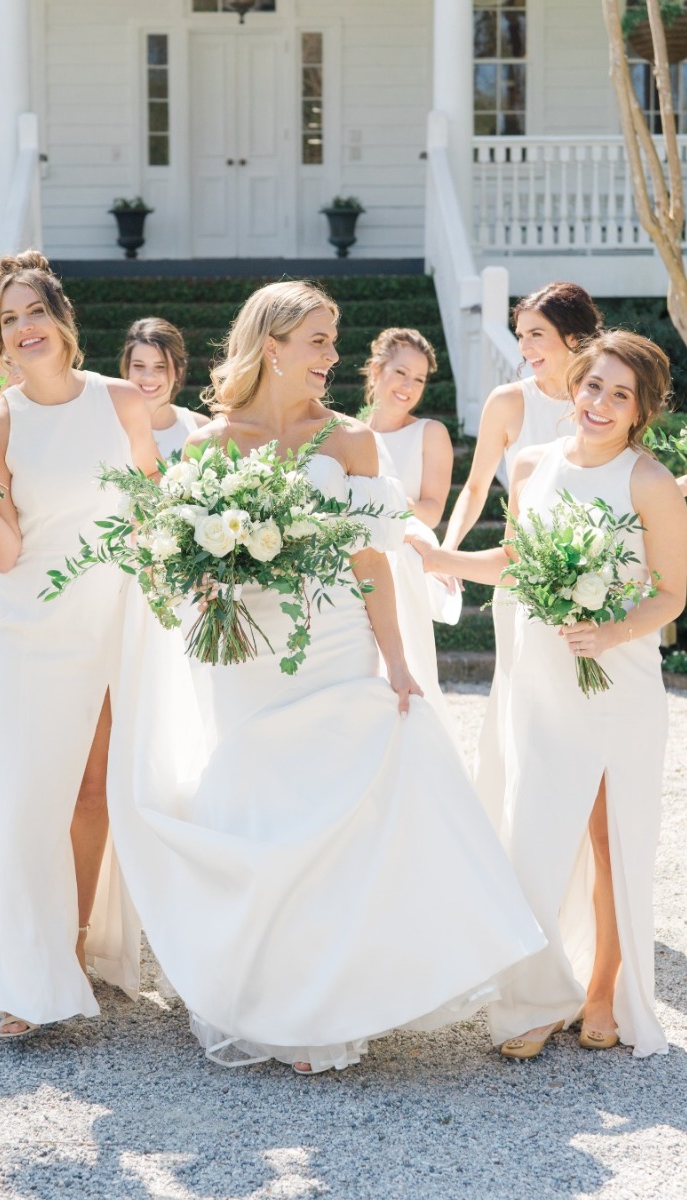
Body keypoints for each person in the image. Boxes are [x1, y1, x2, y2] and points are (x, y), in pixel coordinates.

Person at [105, 280, 545, 1074]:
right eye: (317, 340)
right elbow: (174, 556)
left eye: (335, 341)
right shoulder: (210, 445)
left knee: (333, 814)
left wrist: (399, 660)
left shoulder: (350, 442)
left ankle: (328, 1007)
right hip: (246, 652)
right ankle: (270, 994)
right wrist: (203, 580)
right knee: (265, 816)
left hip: (334, 639)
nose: (333, 357)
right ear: (271, 344)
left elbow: (370, 556)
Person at [413, 330, 687, 1058]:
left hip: (615, 683)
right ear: (574, 387)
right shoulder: (532, 463)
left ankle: (603, 991)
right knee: (533, 832)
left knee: (607, 838)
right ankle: (533, 999)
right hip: (541, 676)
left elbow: (671, 594)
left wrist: (613, 632)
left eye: (619, 395)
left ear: (641, 411)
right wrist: (446, 558)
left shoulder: (649, 482)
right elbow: (516, 558)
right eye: (592, 386)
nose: (599, 403)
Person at [0, 251, 159, 1039]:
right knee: (26, 803)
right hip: (24, 625)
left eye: (33, 312)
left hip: (109, 617)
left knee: (99, 790)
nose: (23, 327)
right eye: (8, 319)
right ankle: (27, 984)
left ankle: (71, 948)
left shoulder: (125, 402)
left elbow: (151, 511)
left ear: (63, 321)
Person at [442, 282, 604, 825]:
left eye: (536, 336)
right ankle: (513, 821)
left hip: (596, 578)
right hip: (523, 576)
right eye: (520, 337)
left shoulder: (602, 402)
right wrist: (449, 549)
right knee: (523, 697)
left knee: (582, 705)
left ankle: (575, 816)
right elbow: (475, 486)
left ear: (574, 337)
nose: (525, 349)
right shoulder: (509, 402)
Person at [362, 328, 458, 737]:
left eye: (418, 379)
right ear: (376, 370)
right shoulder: (349, 432)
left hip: (406, 547)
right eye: (401, 373)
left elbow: (433, 510)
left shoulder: (430, 432)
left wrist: (384, 506)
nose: (409, 386)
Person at [119, 316, 209, 459]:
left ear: (178, 372)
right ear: (128, 368)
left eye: (160, 367)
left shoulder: (201, 429)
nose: (148, 377)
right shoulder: (107, 426)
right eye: (138, 366)